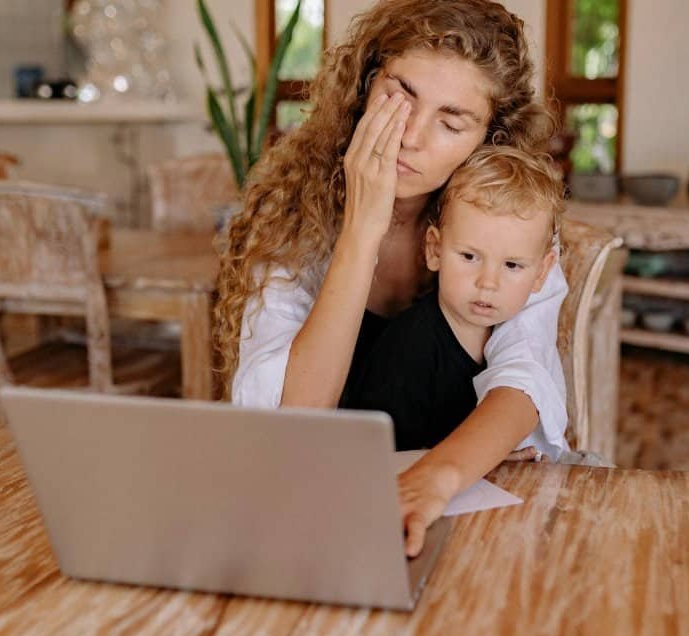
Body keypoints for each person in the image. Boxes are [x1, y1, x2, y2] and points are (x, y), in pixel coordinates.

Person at [214, 0, 567, 556]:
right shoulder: (287, 219)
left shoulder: (508, 228)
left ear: (488, 139)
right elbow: (290, 419)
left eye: (451, 122)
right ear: (365, 83)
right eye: (399, 97)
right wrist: (362, 226)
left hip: (459, 493)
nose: (411, 137)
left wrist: (439, 477)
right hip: (319, 502)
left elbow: (524, 382)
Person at [341, 146, 563, 454]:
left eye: (512, 265)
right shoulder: (408, 350)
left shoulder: (516, 338)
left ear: (541, 273)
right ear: (434, 250)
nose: (488, 282)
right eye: (470, 256)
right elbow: (376, 459)